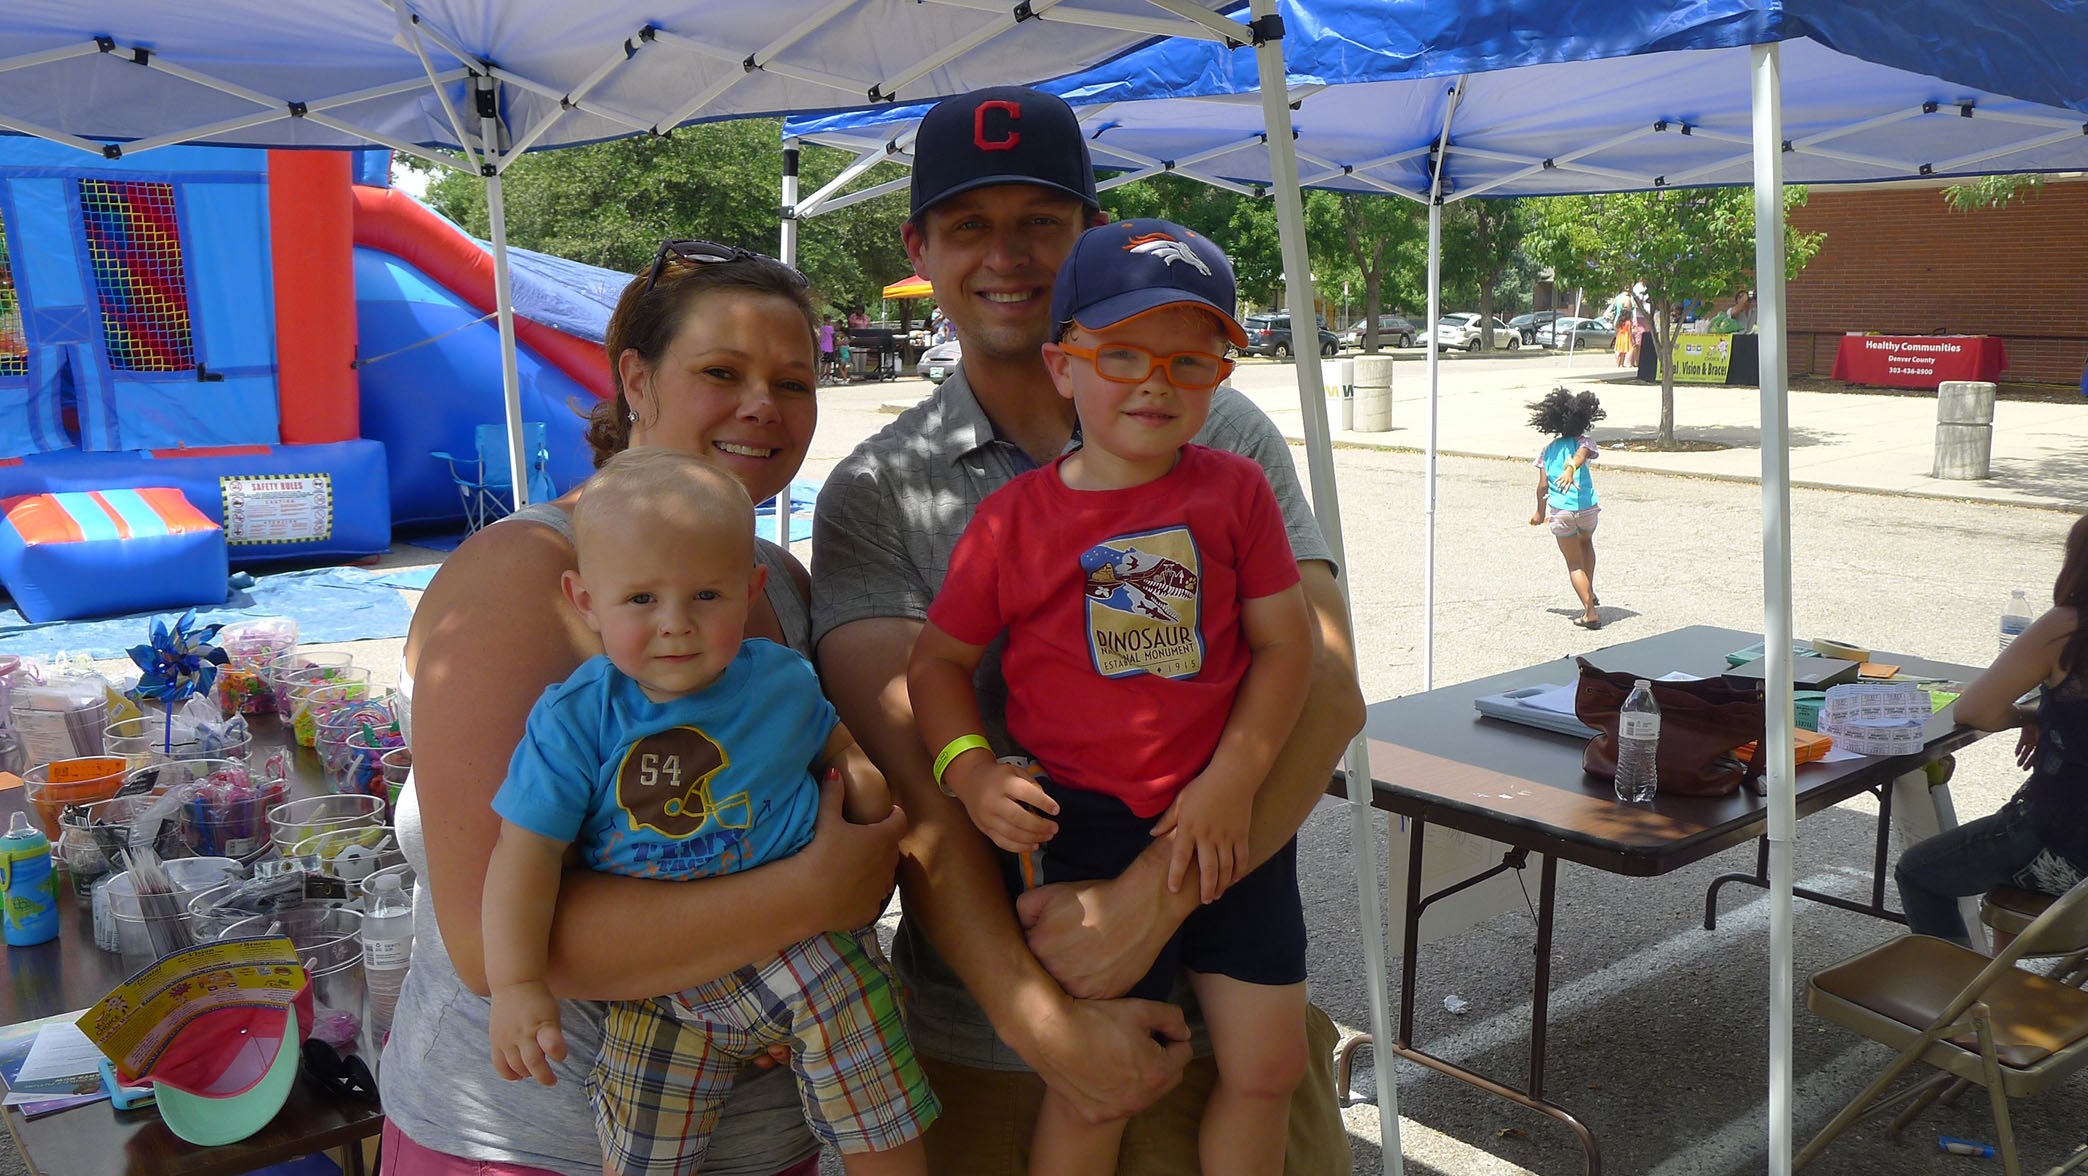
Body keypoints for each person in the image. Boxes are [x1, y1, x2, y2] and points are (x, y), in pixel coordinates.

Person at [811, 85, 1362, 1176]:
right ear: (919, 247)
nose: (1006, 255)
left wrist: (1146, 907)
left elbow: (1325, 688)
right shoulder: (878, 490)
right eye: (969, 224)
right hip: (999, 1044)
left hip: (1221, 1020)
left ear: (1092, 234)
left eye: (1041, 221)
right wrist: (1046, 1024)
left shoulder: (1222, 431)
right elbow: (921, 783)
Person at [383, 240, 908, 1176]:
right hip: (541, 1141)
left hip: (778, 1128)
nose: (763, 405)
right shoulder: (521, 578)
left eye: (793, 383)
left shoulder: (776, 582)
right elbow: (487, 945)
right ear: (635, 379)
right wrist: (809, 898)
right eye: (722, 372)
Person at [908, 221, 1312, 1176]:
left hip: (1227, 817)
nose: (1154, 383)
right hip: (1084, 827)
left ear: (1220, 376)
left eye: (1190, 362)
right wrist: (969, 772)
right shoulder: (1011, 521)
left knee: (1268, 1069)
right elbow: (935, 667)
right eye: (1121, 354)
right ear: (1063, 365)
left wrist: (1231, 782)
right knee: (1098, 1090)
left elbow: (1290, 649)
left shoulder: (1238, 490)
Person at [482, 448, 936, 1176]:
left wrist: (866, 790)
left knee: (874, 1102)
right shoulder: (577, 719)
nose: (676, 625)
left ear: (750, 590)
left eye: (705, 595)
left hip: (805, 952)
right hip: (658, 977)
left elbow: (836, 744)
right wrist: (515, 983)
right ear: (585, 601)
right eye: (640, 599)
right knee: (641, 1144)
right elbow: (524, 855)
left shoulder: (781, 681)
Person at [1895, 512, 2088, 946]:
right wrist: (2049, 717)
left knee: (1918, 872)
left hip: (2068, 846)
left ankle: (1957, 983)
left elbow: (1976, 710)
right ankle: (2006, 979)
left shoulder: (2067, 628)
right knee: (2003, 863)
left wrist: (2028, 716)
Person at [1526, 387, 1605, 630]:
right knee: (1586, 544)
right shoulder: (1584, 442)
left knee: (1574, 563)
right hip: (1587, 509)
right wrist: (1572, 468)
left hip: (1561, 512)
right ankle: (1589, 592)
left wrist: (1539, 512)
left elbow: (1542, 486)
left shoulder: (1547, 450)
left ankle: (1589, 612)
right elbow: (1581, 455)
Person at [1607, 288, 1634, 368]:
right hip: (1626, 335)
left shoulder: (1618, 298)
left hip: (1619, 329)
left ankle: (1618, 364)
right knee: (1624, 350)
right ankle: (1625, 363)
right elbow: (1629, 331)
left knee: (1618, 350)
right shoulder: (1627, 299)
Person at [819, 315, 840, 383]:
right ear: (828, 320)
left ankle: (821, 377)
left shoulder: (822, 327)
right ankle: (828, 378)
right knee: (829, 364)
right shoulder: (830, 328)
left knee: (823, 363)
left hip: (823, 347)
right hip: (829, 347)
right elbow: (833, 336)